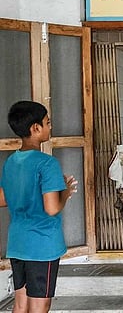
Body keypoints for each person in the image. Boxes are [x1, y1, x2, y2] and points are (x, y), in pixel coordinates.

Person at [0, 100, 78, 313]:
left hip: (17, 242)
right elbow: (51, 208)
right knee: (39, 305)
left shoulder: (11, 162)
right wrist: (65, 193)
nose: (50, 127)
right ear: (35, 128)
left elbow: (3, 199)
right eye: (47, 122)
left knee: (20, 303)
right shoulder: (47, 163)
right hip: (42, 245)